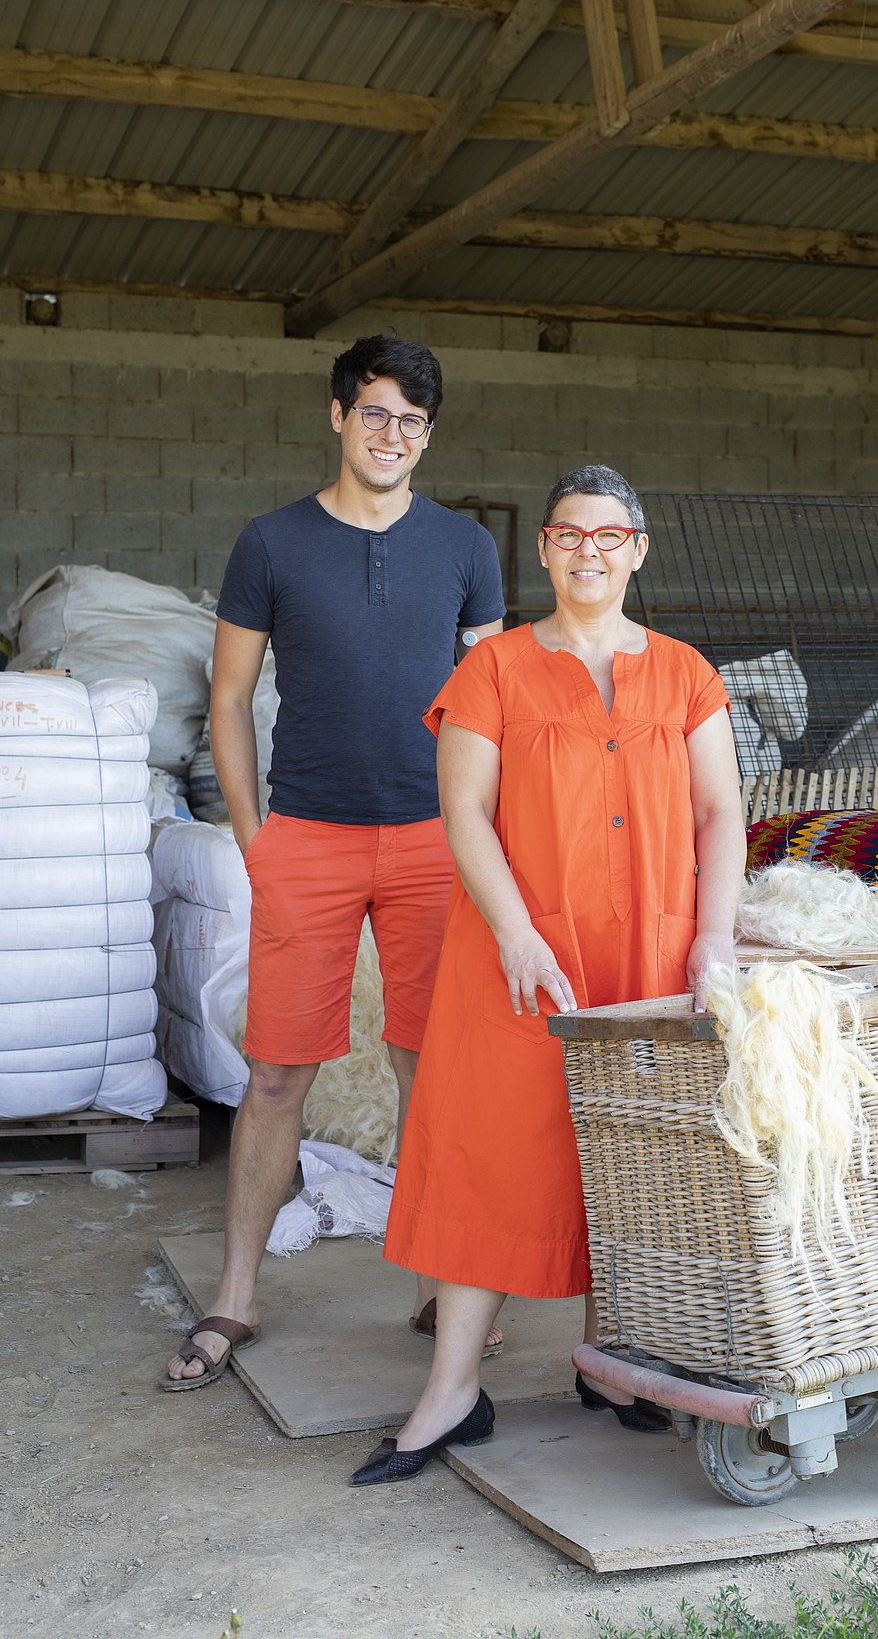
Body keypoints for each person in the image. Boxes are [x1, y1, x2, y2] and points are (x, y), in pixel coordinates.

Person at [351, 464, 744, 1483]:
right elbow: (465, 813)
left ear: (638, 550)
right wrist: (517, 932)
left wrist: (713, 937)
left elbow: (720, 816)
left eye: (608, 537)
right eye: (570, 535)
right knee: (493, 1146)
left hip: (648, 953)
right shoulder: (494, 671)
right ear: (545, 550)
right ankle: (453, 1390)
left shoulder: (687, 674)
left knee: (630, 1154)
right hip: (521, 955)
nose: (588, 553)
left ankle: (611, 1363)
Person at [162, 336, 505, 1391]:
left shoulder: (463, 548)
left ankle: (437, 1285)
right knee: (275, 1074)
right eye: (375, 414)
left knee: (428, 1069)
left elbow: (494, 702)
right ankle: (237, 1297)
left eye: (412, 421)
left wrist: (488, 834)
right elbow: (228, 699)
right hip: (306, 834)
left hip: (429, 840)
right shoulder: (271, 542)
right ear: (337, 416)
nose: (392, 435)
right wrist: (254, 838)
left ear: (428, 435)